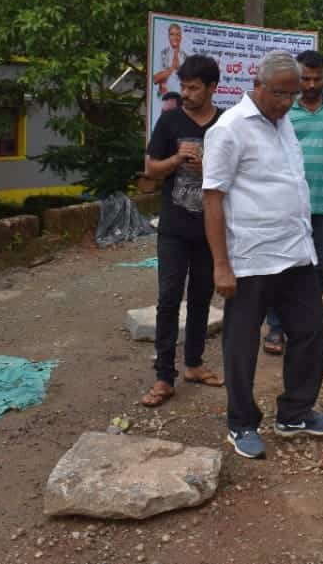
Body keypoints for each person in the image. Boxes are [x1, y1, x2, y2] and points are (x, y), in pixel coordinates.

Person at [203, 51, 323, 460]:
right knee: (241, 345)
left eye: (293, 95)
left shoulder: (284, 124)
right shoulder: (230, 128)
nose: (287, 103)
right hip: (249, 257)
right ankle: (241, 423)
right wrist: (221, 264)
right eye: (280, 94)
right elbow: (212, 199)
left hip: (293, 253)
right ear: (258, 86)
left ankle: (295, 413)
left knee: (312, 330)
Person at [141, 55, 226, 408]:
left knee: (202, 299)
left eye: (194, 88)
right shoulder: (170, 121)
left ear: (211, 88)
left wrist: (209, 167)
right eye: (184, 87)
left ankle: (193, 363)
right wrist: (176, 160)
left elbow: (238, 175)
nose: (187, 94)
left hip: (211, 229)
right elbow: (150, 169)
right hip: (174, 228)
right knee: (168, 300)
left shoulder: (227, 124)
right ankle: (164, 377)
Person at [262, 50, 323, 356]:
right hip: (287, 205)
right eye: (306, 78)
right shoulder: (284, 108)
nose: (312, 84)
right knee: (281, 267)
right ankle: (276, 328)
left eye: (317, 78)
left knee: (317, 270)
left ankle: (304, 327)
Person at [153, 23, 190, 96]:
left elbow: (189, 81)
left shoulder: (185, 56)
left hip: (181, 99)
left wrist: (179, 68)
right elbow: (155, 79)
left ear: (181, 37)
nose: (175, 37)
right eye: (172, 34)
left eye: (177, 34)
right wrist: (172, 67)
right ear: (168, 36)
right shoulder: (163, 54)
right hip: (164, 99)